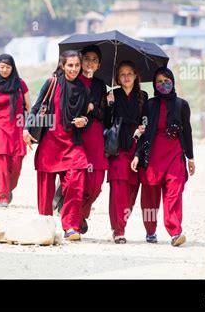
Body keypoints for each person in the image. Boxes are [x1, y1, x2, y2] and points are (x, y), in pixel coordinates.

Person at [23, 50, 89, 241]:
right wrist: (26, 128)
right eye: (70, 65)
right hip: (50, 142)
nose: (74, 69)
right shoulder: (52, 83)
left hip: (72, 143)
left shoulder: (83, 89)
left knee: (76, 181)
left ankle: (70, 226)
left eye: (77, 65)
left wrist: (84, 119)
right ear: (62, 65)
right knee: (46, 188)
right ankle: (45, 224)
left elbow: (86, 114)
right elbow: (36, 107)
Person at [131, 66, 195, 246]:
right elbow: (143, 132)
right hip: (152, 155)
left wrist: (190, 158)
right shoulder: (149, 105)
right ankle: (150, 230)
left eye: (166, 81)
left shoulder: (182, 105)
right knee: (150, 196)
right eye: (159, 82)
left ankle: (175, 231)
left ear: (173, 82)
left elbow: (187, 132)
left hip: (174, 153)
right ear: (154, 84)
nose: (163, 84)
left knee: (174, 191)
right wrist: (137, 154)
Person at [105, 61, 148, 244]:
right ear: (117, 78)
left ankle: (122, 221)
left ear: (136, 75)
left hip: (136, 145)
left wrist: (143, 126)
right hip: (117, 146)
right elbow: (106, 121)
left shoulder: (144, 96)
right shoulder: (112, 94)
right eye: (122, 74)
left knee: (132, 188)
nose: (126, 77)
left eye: (130, 73)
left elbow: (147, 120)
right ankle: (118, 229)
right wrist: (109, 106)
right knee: (118, 188)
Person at [0, 54, 31, 207]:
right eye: (2, 67)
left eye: (8, 67)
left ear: (13, 68)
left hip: (18, 129)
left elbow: (30, 108)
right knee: (1, 164)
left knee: (17, 163)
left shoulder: (21, 84)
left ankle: (8, 188)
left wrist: (30, 129)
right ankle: (3, 197)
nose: (4, 70)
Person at [77, 45, 108, 234]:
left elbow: (103, 113)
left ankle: (80, 213)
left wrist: (93, 108)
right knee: (78, 179)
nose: (90, 62)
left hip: (96, 135)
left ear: (99, 65)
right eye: (87, 58)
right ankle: (76, 218)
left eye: (94, 60)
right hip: (77, 136)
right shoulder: (73, 80)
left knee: (96, 183)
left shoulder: (100, 85)